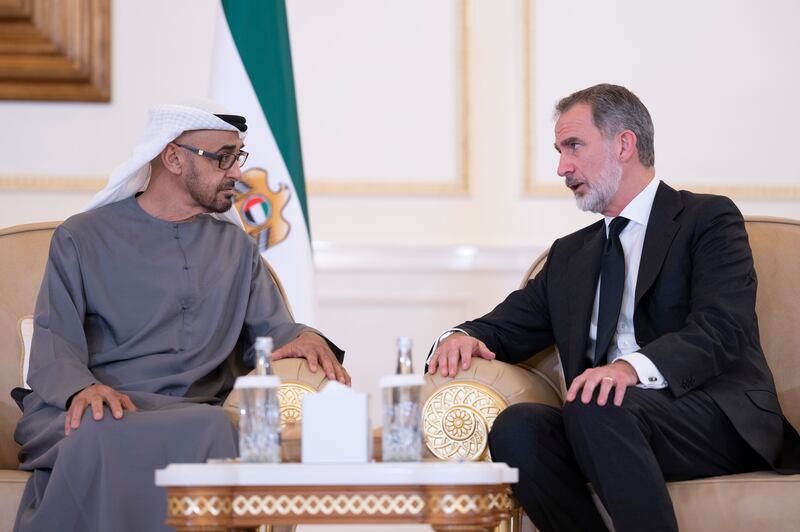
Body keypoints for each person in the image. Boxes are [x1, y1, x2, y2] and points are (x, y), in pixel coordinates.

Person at [427, 84, 799, 532]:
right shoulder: (569, 255)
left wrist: (627, 370)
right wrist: (459, 337)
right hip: (608, 422)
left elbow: (722, 328)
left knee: (596, 402)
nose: (562, 167)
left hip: (714, 417)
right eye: (559, 150)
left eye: (574, 146)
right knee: (518, 426)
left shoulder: (708, 219)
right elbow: (506, 325)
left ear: (624, 144)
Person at [12, 103, 349, 532]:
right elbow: (54, 337)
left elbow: (273, 330)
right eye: (222, 158)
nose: (236, 173)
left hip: (190, 408)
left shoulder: (237, 248)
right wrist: (83, 388)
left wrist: (305, 337)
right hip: (93, 405)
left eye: (238, 157)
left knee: (208, 425)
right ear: (173, 158)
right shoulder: (81, 237)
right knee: (103, 432)